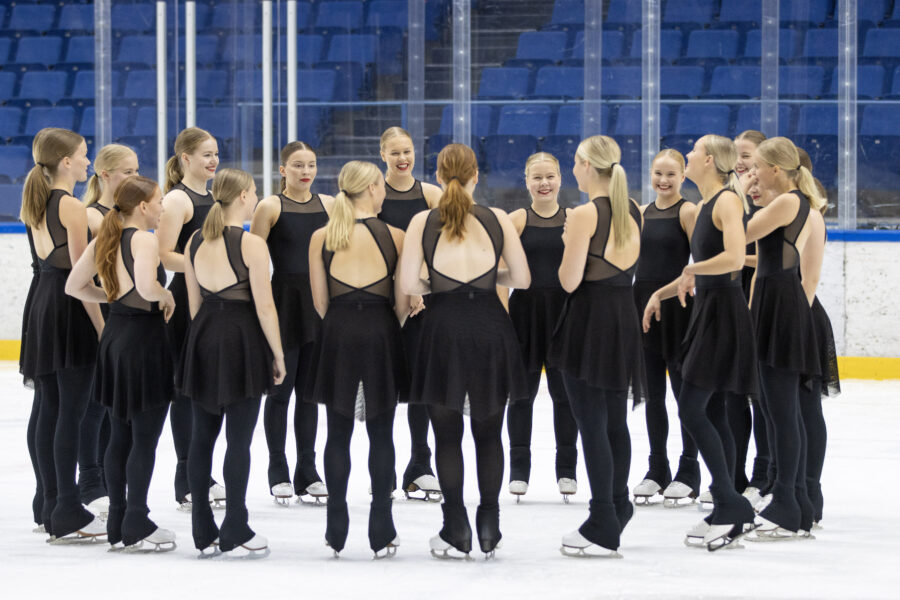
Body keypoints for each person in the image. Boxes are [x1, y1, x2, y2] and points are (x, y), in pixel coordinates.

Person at [399, 143, 530, 559]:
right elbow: (523, 280)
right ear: (477, 175)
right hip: (491, 327)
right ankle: (489, 525)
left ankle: (456, 526)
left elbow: (408, 285)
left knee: (448, 436)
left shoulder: (423, 220)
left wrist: (439, 284)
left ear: (438, 176)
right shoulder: (498, 219)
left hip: (444, 329)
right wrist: (489, 277)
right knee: (490, 435)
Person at [643, 134, 757, 551]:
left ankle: (729, 501)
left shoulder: (727, 200)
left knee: (693, 407)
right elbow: (699, 269)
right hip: (709, 308)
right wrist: (662, 292)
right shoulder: (709, 203)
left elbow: (733, 257)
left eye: (691, 151)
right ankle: (728, 501)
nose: (686, 155)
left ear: (707, 159)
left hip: (724, 313)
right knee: (707, 409)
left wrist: (691, 272)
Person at [178, 168, 285, 558]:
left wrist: (202, 341)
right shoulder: (251, 244)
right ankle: (235, 524)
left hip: (203, 336)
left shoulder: (193, 241)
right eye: (254, 191)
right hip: (241, 338)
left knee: (201, 436)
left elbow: (194, 304)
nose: (256, 198)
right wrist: (277, 353)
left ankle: (202, 526)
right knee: (238, 438)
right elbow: (265, 306)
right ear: (241, 196)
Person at [66, 175, 177, 552]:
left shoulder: (107, 237)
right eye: (159, 201)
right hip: (144, 341)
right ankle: (136, 521)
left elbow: (74, 286)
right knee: (143, 437)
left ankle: (117, 519)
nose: (162, 207)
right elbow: (146, 287)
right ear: (143, 206)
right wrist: (165, 295)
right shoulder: (144, 238)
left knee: (120, 434)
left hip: (115, 337)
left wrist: (112, 295)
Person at [306, 160, 409, 557]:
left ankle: (336, 524)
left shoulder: (322, 236)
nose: (383, 192)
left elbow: (320, 302)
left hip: (338, 331)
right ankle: (381, 525)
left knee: (337, 434)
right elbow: (401, 302)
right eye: (381, 185)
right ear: (370, 188)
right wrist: (387, 324)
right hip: (381, 331)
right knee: (381, 434)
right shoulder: (396, 236)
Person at [548, 136, 644, 558]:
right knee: (613, 423)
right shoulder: (635, 209)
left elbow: (568, 281)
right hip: (622, 316)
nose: (572, 169)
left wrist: (569, 236)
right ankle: (619, 504)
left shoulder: (586, 213)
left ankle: (603, 518)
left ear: (587, 165)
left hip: (588, 321)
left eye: (574, 162)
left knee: (592, 425)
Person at [19, 127, 105, 542]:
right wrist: (103, 326)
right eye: (84, 155)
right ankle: (66, 508)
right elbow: (80, 277)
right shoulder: (69, 205)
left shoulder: (36, 200)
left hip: (42, 303)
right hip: (68, 308)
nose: (88, 162)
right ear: (66, 161)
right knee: (69, 410)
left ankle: (49, 501)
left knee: (49, 407)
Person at [745, 136, 824, 539]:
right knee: (781, 411)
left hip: (782, 305)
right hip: (776, 302)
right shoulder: (792, 203)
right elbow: (762, 261)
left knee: (782, 412)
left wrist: (742, 194)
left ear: (775, 168)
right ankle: (799, 503)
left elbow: (740, 233)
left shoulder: (788, 202)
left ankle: (789, 505)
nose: (752, 173)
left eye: (757, 166)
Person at [251, 141, 333, 504]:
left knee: (311, 395)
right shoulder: (269, 207)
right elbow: (251, 258)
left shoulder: (330, 205)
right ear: (282, 170)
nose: (306, 171)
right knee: (280, 391)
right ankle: (277, 468)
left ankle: (308, 470)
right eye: (298, 165)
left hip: (317, 303)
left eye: (311, 165)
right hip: (283, 301)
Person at [155, 127, 224, 510]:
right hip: (184, 297)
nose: (213, 161)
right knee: (185, 390)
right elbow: (165, 254)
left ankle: (199, 471)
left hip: (209, 295)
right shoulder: (177, 199)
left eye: (215, 154)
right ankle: (186, 476)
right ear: (184, 159)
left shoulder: (211, 196)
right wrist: (206, 265)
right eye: (205, 155)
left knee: (202, 389)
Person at [505, 152, 578, 502]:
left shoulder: (576, 219)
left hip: (565, 314)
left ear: (561, 178)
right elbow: (499, 273)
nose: (544, 183)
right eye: (537, 178)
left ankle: (567, 470)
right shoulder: (517, 219)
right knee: (522, 395)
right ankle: (519, 470)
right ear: (526, 181)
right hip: (525, 313)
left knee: (566, 395)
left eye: (550, 176)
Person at [377, 126, 443, 500]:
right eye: (395, 152)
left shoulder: (431, 194)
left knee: (421, 385)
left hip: (424, 301)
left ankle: (420, 465)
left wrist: (418, 284)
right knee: (385, 383)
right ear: (382, 154)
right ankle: (383, 465)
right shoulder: (374, 194)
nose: (403, 159)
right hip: (383, 298)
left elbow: (441, 248)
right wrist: (402, 287)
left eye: (408, 151)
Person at [631, 149, 700, 508]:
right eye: (659, 173)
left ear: (684, 176)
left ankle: (689, 471)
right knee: (653, 394)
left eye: (671, 174)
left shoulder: (688, 212)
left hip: (678, 307)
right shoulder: (640, 214)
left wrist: (669, 292)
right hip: (642, 306)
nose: (664, 180)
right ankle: (658, 468)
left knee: (683, 393)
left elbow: (699, 264)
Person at [76, 143, 139, 517]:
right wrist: (102, 328)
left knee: (109, 404)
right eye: (127, 172)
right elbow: (88, 279)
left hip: (118, 320)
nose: (134, 177)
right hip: (97, 320)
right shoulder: (94, 217)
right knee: (93, 406)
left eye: (136, 171)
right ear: (104, 175)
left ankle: (103, 476)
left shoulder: (119, 215)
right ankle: (90, 479)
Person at [729, 129, 768, 505]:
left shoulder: (770, 199)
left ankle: (764, 471)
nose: (739, 161)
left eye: (746, 154)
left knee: (762, 393)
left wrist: (735, 258)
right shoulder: (731, 196)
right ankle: (734, 472)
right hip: (730, 296)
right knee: (733, 393)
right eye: (735, 154)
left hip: (761, 298)